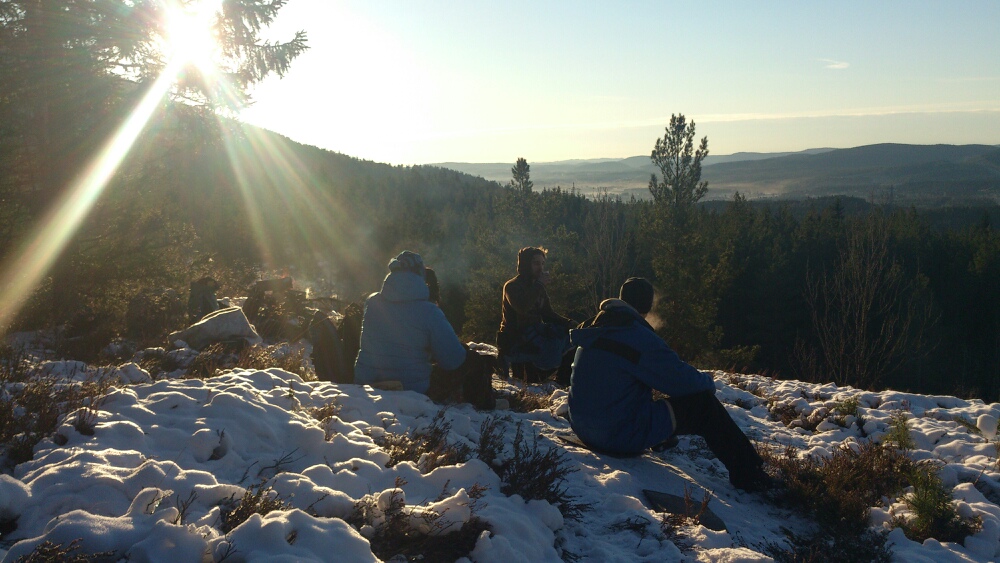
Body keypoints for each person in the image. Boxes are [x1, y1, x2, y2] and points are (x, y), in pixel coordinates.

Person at [567, 277, 771, 492]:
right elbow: (683, 382)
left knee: (637, 390)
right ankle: (750, 475)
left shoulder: (598, 328)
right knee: (703, 406)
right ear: (647, 306)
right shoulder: (636, 335)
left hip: (583, 426)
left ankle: (661, 437)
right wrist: (708, 382)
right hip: (614, 435)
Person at [354, 251, 494, 409]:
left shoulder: (372, 302)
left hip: (367, 381)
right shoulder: (429, 311)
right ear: (420, 275)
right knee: (473, 360)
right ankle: (484, 407)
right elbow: (453, 361)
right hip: (410, 386)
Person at [497, 247, 572, 382]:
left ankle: (560, 381)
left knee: (569, 337)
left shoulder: (538, 287)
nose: (541, 268)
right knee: (550, 346)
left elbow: (548, 314)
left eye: (542, 263)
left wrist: (570, 323)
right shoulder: (512, 286)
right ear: (525, 264)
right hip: (517, 337)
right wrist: (539, 285)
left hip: (536, 332)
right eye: (536, 263)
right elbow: (522, 307)